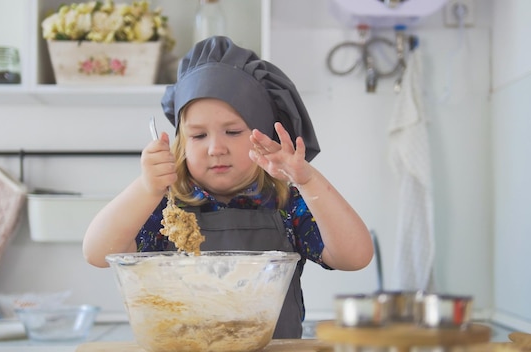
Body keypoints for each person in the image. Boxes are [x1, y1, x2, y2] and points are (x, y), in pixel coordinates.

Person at [83, 36, 373, 339]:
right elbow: (97, 253)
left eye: (232, 131)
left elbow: (355, 257)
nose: (215, 148)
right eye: (198, 136)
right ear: (181, 142)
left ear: (264, 137)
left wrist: (308, 180)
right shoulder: (166, 211)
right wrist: (145, 187)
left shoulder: (285, 204)